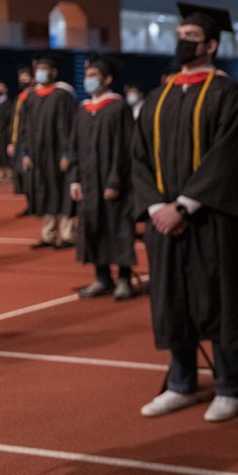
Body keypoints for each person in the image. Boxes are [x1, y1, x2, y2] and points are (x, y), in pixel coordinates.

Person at [131, 2, 238, 423]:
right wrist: (155, 207)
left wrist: (183, 206)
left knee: (217, 299)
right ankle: (181, 382)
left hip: (211, 220)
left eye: (191, 37)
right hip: (162, 221)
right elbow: (138, 157)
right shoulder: (158, 96)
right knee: (170, 300)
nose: (181, 42)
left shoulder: (228, 94)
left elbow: (229, 158)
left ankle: (229, 386)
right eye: (179, 35)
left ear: (212, 45)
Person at [68, 54, 137, 301]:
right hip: (88, 183)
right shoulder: (84, 110)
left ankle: (124, 279)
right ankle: (102, 277)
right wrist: (74, 179)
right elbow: (74, 147)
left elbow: (125, 148)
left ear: (107, 79)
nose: (89, 80)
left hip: (112, 184)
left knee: (118, 229)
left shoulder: (118, 108)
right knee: (94, 228)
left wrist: (115, 181)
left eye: (94, 76)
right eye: (87, 76)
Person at [17, 52, 77, 249]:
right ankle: (48, 234)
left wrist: (66, 153)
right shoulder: (32, 97)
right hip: (38, 155)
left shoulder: (62, 95)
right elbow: (25, 127)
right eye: (39, 70)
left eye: (45, 69)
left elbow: (67, 127)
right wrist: (25, 153)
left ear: (54, 72)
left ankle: (68, 234)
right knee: (46, 192)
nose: (41, 73)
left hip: (57, 154)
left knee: (62, 191)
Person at [7, 65, 35, 213]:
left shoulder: (36, 96)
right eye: (21, 76)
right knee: (21, 175)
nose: (22, 79)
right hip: (17, 142)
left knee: (30, 175)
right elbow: (14, 121)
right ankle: (30, 203)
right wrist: (11, 142)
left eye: (25, 76)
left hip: (29, 142)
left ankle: (36, 204)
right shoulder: (19, 97)